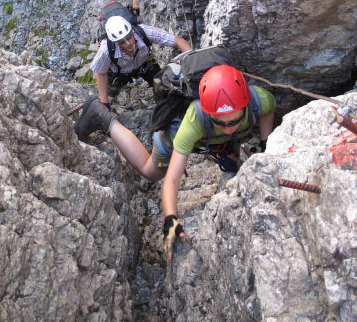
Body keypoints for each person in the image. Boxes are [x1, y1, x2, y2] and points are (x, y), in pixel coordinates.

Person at [73, 64, 275, 262]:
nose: (228, 128)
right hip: (173, 137)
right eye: (220, 122)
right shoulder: (195, 120)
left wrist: (265, 143)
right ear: (208, 113)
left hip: (214, 140)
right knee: (150, 171)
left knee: (233, 162)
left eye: (233, 121)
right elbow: (171, 181)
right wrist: (170, 218)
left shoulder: (259, 99)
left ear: (245, 105)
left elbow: (269, 109)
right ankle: (103, 117)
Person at [90, 15, 191, 105]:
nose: (128, 43)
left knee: (162, 86)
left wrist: (193, 63)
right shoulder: (106, 49)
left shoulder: (143, 32)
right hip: (119, 73)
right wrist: (104, 102)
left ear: (132, 32)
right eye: (121, 42)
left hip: (145, 64)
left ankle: (163, 104)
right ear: (115, 42)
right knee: (111, 92)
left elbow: (178, 41)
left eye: (129, 37)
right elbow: (100, 72)